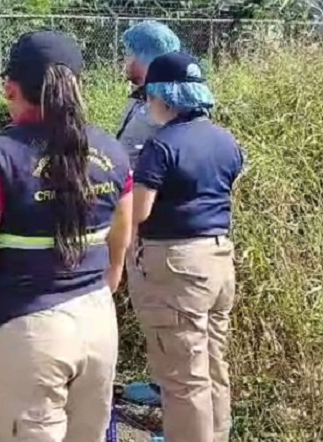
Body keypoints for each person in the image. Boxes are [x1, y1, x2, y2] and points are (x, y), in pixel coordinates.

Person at [0, 31, 133, 442]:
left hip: (28, 333)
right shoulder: (113, 152)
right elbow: (120, 242)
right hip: (98, 322)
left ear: (10, 89)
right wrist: (97, 292)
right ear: (77, 85)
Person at [130, 51, 244, 442]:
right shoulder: (226, 140)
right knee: (213, 364)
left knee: (182, 377)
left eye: (149, 96)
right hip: (219, 258)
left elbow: (139, 211)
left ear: (163, 97)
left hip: (177, 266)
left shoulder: (161, 146)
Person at [117, 20, 181, 165]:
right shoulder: (140, 96)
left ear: (145, 57)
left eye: (130, 53)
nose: (126, 59)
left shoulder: (164, 105)